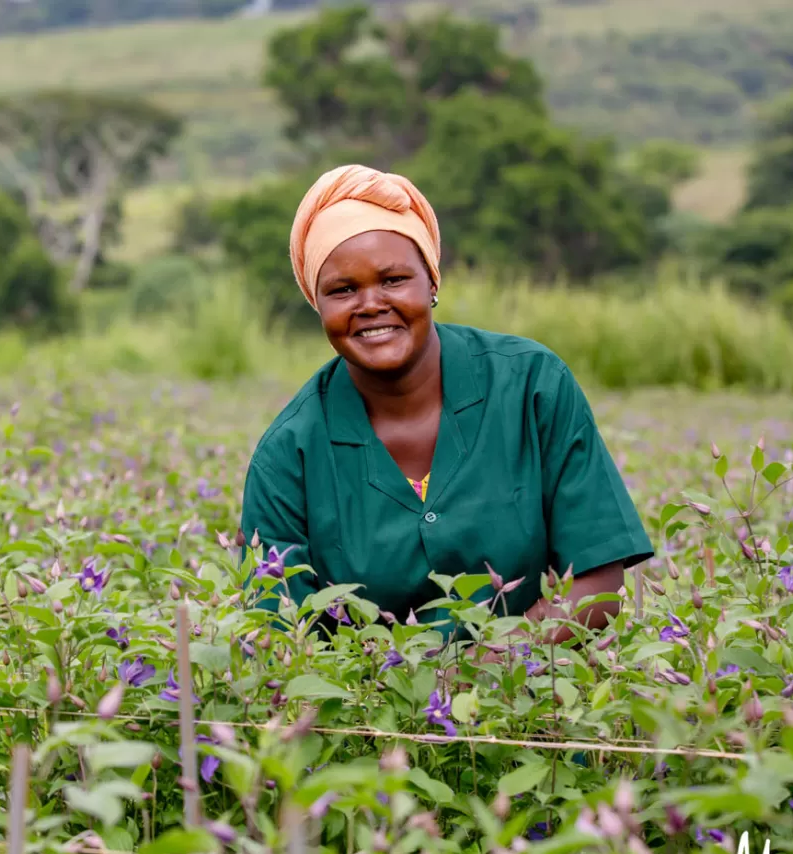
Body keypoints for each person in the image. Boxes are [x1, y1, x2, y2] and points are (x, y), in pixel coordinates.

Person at [238, 164, 654, 645]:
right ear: (318, 304)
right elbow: (278, 633)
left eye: (394, 279)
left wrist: (489, 668)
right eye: (343, 290)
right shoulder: (288, 454)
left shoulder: (532, 385)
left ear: (432, 283)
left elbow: (599, 587)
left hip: (545, 698)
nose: (370, 304)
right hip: (372, 712)